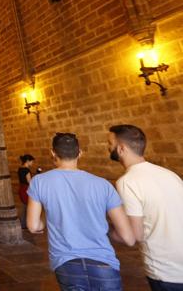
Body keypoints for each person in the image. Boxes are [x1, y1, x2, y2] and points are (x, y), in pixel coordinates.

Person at [27, 132, 135, 290]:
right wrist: (106, 231)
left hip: (67, 264)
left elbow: (33, 226)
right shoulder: (103, 184)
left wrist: (46, 216)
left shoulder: (40, 182)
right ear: (80, 153)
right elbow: (129, 238)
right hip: (104, 263)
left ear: (53, 152)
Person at [108, 124, 183, 290]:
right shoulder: (170, 174)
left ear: (121, 149)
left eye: (109, 143)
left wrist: (108, 230)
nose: (108, 147)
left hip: (165, 268)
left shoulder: (127, 182)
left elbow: (136, 235)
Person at [17, 154, 35, 229]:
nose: (32, 163)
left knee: (24, 206)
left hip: (21, 188)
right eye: (32, 162)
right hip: (27, 189)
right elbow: (29, 181)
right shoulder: (26, 170)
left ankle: (23, 224)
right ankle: (28, 224)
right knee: (29, 207)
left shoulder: (20, 169)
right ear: (28, 161)